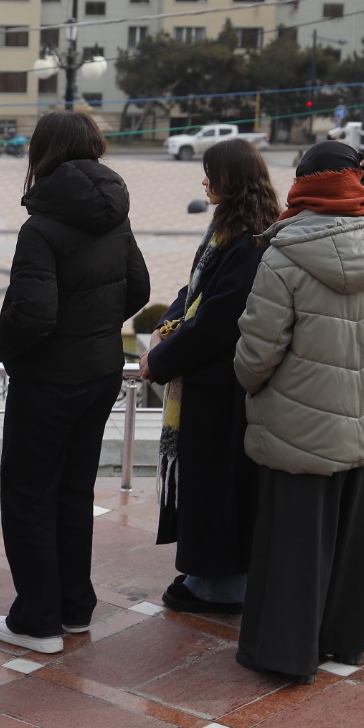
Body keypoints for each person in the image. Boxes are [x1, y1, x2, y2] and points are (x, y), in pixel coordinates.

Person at [234, 141, 364, 683]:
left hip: (297, 431)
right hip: (363, 427)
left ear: (305, 185)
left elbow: (255, 357)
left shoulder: (282, 256)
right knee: (353, 544)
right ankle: (347, 640)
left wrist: (252, 383)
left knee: (293, 544)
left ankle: (285, 653)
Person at [0, 111, 150, 654]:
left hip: (48, 381)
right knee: (74, 493)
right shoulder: (116, 212)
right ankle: (75, 608)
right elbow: (139, 288)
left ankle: (37, 620)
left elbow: (32, 314)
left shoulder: (42, 224)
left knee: (29, 496)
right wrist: (99, 329)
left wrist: (0, 348)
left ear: (44, 151)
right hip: (101, 372)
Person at [140, 139, 280, 614]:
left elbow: (218, 321)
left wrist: (160, 360)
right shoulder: (232, 230)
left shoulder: (251, 242)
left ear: (231, 180)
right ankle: (205, 573)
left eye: (210, 174)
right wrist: (166, 326)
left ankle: (220, 586)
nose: (204, 181)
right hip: (211, 385)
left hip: (225, 389)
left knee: (220, 487)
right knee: (207, 483)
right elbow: (194, 290)